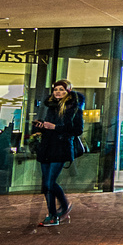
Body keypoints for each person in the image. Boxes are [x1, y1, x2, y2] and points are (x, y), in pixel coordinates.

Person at [33, 79, 84, 226]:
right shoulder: (50, 106)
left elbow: (77, 130)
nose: (58, 92)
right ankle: (57, 211)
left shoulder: (74, 108)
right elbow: (48, 127)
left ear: (68, 91)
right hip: (46, 147)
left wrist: (55, 127)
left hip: (60, 148)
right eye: (56, 90)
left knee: (50, 183)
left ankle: (55, 214)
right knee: (46, 184)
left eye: (61, 90)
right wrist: (41, 126)